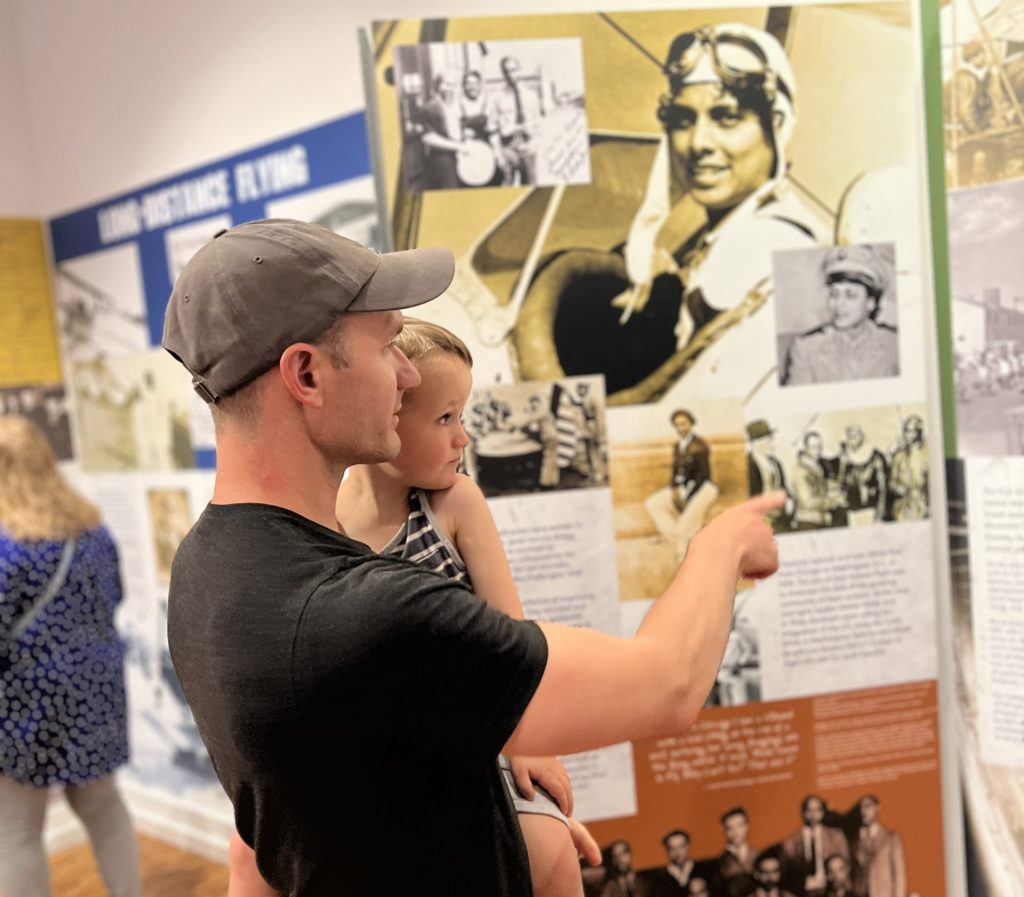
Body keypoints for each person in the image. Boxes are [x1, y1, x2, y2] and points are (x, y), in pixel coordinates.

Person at [161, 218, 783, 895]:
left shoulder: (203, 570)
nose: (406, 374)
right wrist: (721, 544)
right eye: (388, 345)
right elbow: (669, 682)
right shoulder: (368, 615)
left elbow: (274, 830)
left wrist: (517, 833)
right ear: (307, 373)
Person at [227, 319, 594, 897]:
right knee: (247, 856)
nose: (463, 438)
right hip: (366, 757)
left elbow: (513, 637)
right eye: (445, 418)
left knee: (552, 855)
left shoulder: (455, 504)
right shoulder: (324, 521)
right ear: (390, 415)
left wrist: (530, 743)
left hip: (468, 739)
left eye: (462, 417)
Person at [0, 416, 141, 897]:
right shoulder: (92, 531)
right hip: (95, 692)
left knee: (16, 833)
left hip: (24, 707)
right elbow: (115, 596)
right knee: (104, 807)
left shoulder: (7, 549)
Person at [783, 246, 899, 386]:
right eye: (834, 294)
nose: (838, 304)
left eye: (850, 295)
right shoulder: (807, 348)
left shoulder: (894, 344)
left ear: (871, 303)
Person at [644, 409, 717, 558]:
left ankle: (685, 554)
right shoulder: (677, 446)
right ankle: (682, 540)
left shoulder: (701, 446)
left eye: (683, 424)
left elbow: (703, 476)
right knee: (652, 503)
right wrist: (674, 490)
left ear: (691, 424)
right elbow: (675, 472)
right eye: (677, 425)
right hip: (684, 487)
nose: (680, 428)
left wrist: (687, 495)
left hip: (704, 488)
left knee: (685, 524)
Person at [488, 55, 544, 185]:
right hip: (507, 148)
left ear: (519, 70)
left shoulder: (531, 95)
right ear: (503, 73)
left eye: (513, 70)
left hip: (527, 146)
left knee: (531, 188)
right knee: (506, 188)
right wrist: (498, 155)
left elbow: (538, 124)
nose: (511, 75)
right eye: (506, 71)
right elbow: (492, 127)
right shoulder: (496, 97)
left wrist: (534, 145)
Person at [779, 795, 850, 897]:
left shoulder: (836, 836)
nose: (813, 815)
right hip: (802, 892)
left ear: (822, 812)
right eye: (809, 810)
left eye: (817, 810)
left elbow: (846, 864)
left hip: (830, 890)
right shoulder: (791, 842)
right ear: (803, 813)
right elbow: (784, 874)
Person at [420, 72, 472, 189]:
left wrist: (465, 134)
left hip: (460, 156)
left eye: (453, 85)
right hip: (442, 159)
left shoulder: (456, 106)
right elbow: (428, 138)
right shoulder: (430, 108)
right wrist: (458, 146)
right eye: (447, 84)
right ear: (437, 86)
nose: (450, 89)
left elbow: (459, 128)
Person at [790, 432, 846, 530]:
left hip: (820, 521)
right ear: (805, 448)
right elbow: (808, 502)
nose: (818, 450)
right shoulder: (801, 470)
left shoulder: (816, 466)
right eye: (813, 447)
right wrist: (834, 501)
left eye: (819, 446)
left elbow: (819, 487)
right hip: (807, 522)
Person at [853, 796, 906, 897]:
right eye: (861, 808)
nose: (863, 811)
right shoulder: (855, 840)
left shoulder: (891, 838)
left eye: (868, 806)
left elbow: (899, 875)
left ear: (877, 808)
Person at [836, 426, 888, 525]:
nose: (852, 438)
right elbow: (842, 483)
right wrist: (842, 465)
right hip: (852, 509)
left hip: (872, 508)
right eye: (849, 435)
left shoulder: (875, 457)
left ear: (862, 436)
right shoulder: (845, 457)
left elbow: (883, 487)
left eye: (855, 434)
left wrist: (880, 511)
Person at [746, 420, 792, 532]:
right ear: (755, 442)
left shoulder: (776, 463)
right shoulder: (747, 465)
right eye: (767, 440)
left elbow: (783, 488)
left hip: (780, 520)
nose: (771, 443)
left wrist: (789, 500)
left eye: (771, 439)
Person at [887, 415, 928, 521]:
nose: (907, 435)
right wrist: (897, 489)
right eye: (905, 431)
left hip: (922, 507)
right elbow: (891, 482)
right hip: (901, 507)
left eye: (911, 431)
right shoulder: (898, 455)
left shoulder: (927, 453)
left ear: (919, 432)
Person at [715, 807, 758, 897]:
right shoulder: (719, 863)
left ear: (747, 826)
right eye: (730, 828)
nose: (736, 832)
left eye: (740, 825)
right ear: (724, 830)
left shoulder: (758, 855)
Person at [642, 829, 697, 896]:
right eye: (672, 848)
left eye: (681, 846)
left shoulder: (703, 870)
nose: (678, 852)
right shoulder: (659, 879)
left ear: (688, 846)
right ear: (667, 850)